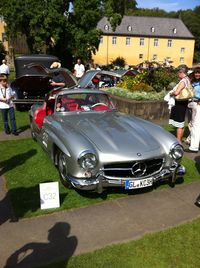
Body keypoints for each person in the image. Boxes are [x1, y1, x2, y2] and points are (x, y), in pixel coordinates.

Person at [169, 65, 191, 143]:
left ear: (181, 72)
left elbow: (177, 92)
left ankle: (178, 141)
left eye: (178, 72)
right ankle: (179, 139)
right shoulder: (187, 79)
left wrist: (171, 93)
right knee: (181, 123)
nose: (177, 74)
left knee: (179, 124)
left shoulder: (183, 81)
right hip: (184, 103)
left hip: (180, 104)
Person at [185, 65, 200, 152]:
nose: (197, 74)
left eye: (199, 73)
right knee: (190, 123)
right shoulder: (194, 82)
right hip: (191, 103)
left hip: (198, 104)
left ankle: (194, 147)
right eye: (196, 73)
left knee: (196, 125)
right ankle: (190, 139)